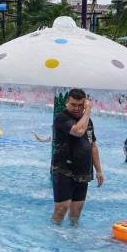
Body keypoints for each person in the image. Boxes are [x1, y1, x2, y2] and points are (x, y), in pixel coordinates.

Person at [50, 88, 104, 225]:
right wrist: (88, 111)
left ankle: (72, 236)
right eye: (73, 104)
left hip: (83, 171)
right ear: (67, 103)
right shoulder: (61, 118)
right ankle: (53, 234)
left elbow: (93, 145)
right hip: (64, 169)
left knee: (76, 213)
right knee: (61, 209)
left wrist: (98, 170)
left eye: (80, 105)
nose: (76, 108)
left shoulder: (87, 121)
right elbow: (78, 131)